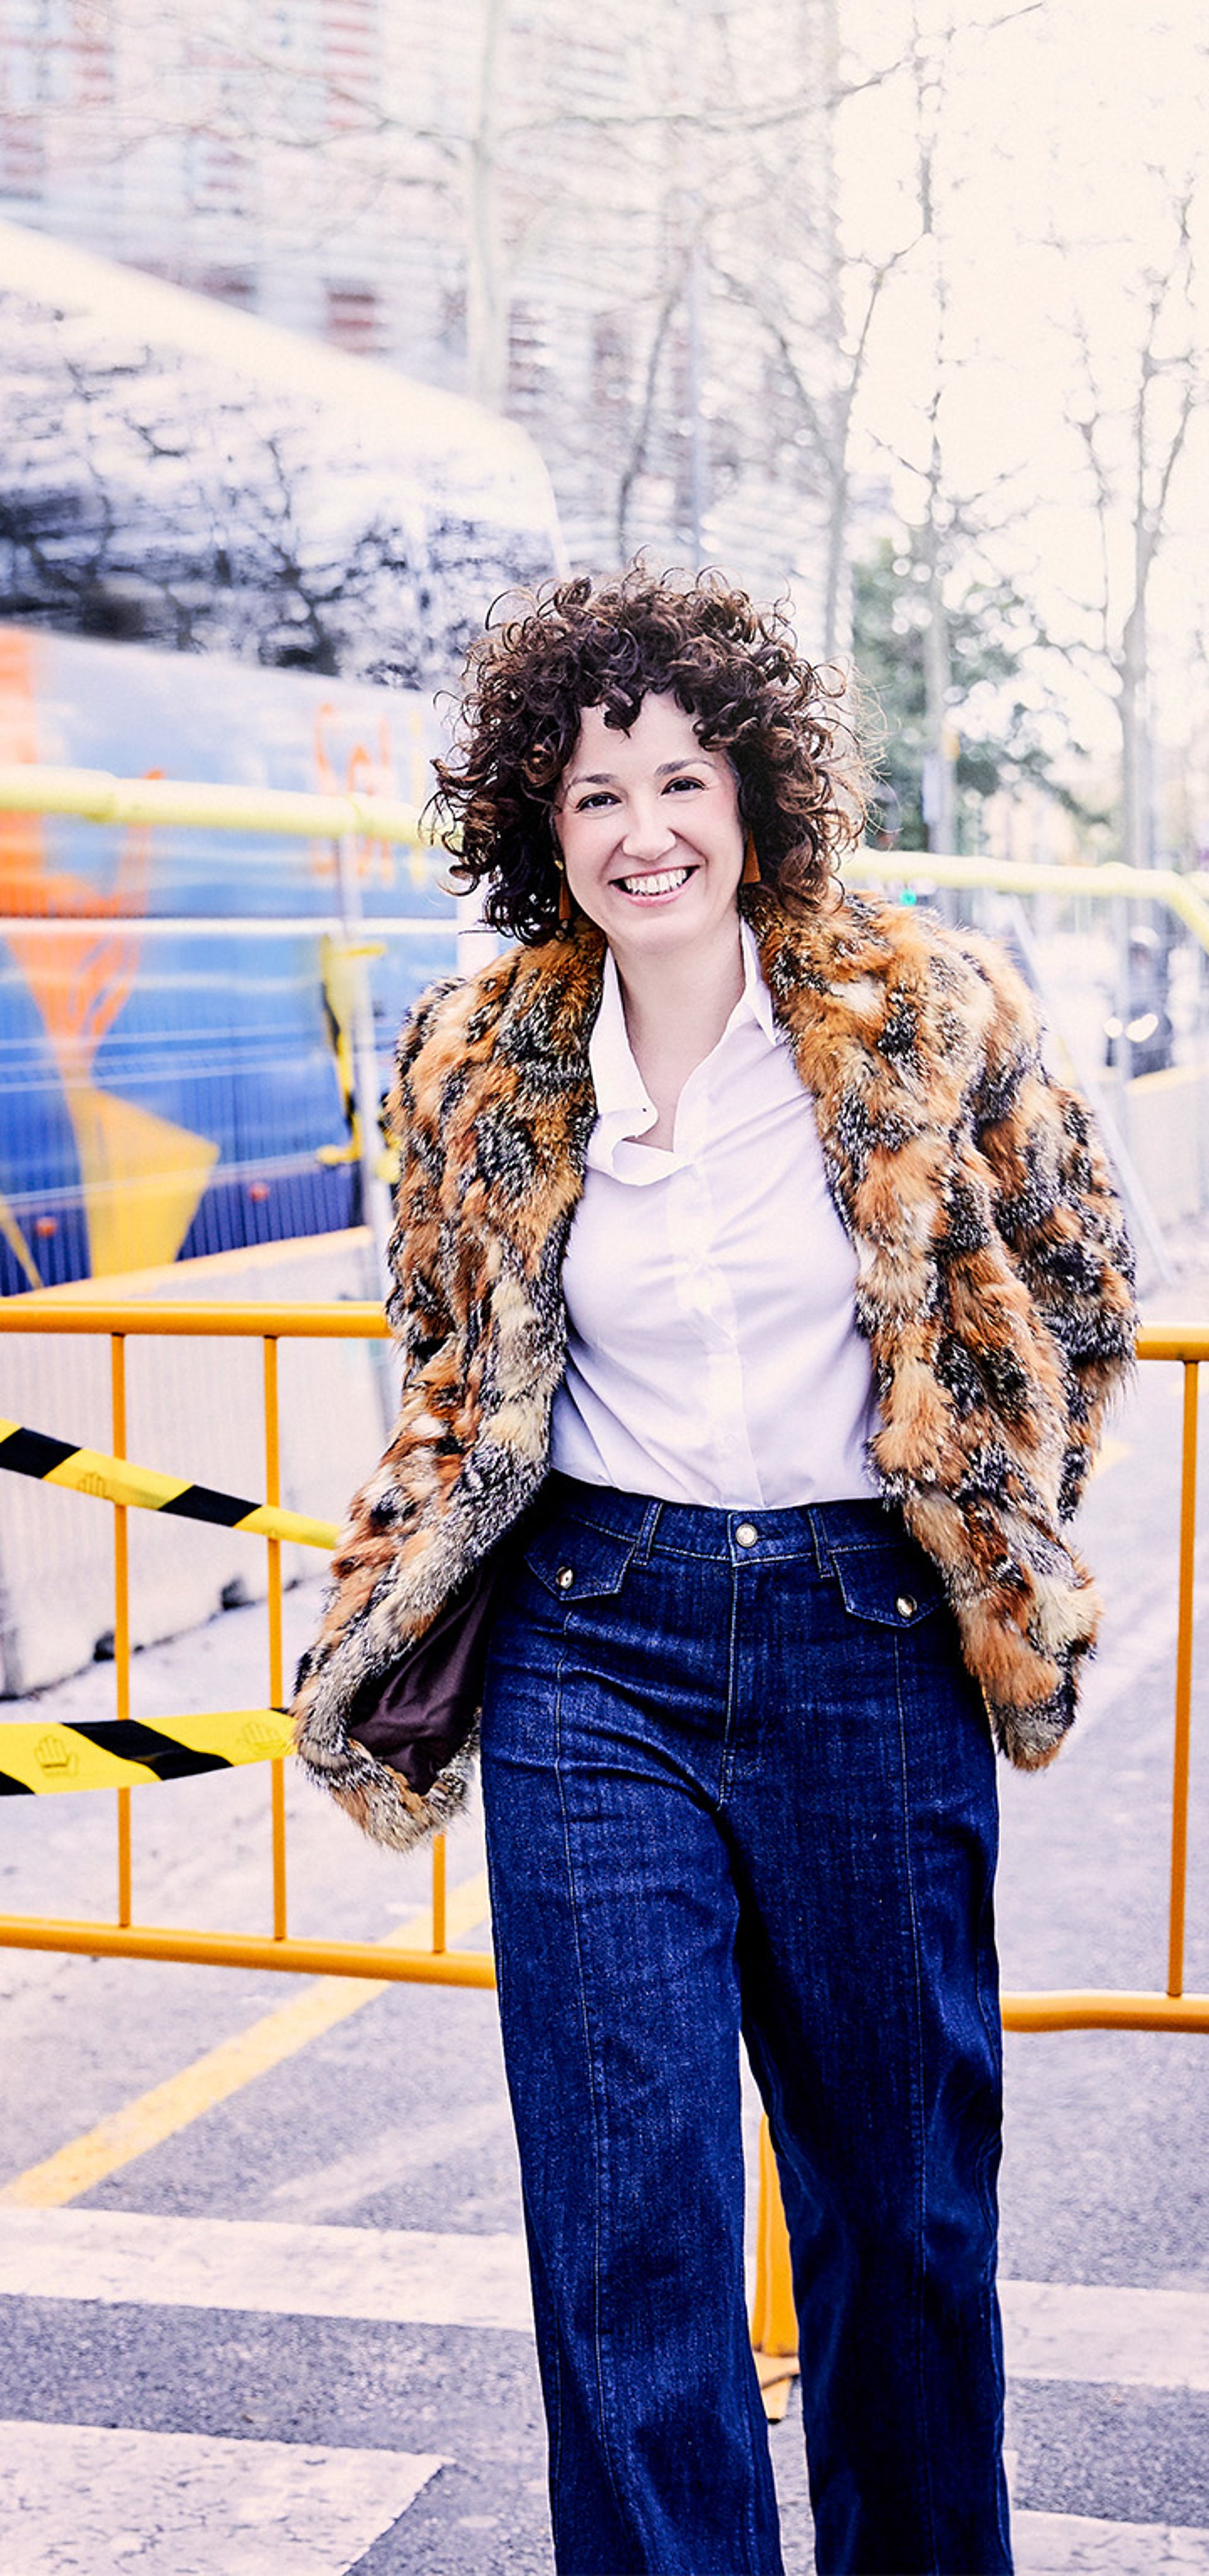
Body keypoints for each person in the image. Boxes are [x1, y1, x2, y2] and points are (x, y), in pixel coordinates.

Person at [295, 566, 1137, 2576]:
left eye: (684, 777)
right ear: (534, 821)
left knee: (906, 2216)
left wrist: (993, 1519)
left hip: (867, 1639)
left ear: (759, 795)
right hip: (598, 1647)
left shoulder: (924, 1015)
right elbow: (441, 1331)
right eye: (594, 795)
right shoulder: (476, 1056)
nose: (644, 829)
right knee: (623, 2224)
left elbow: (1087, 1286)